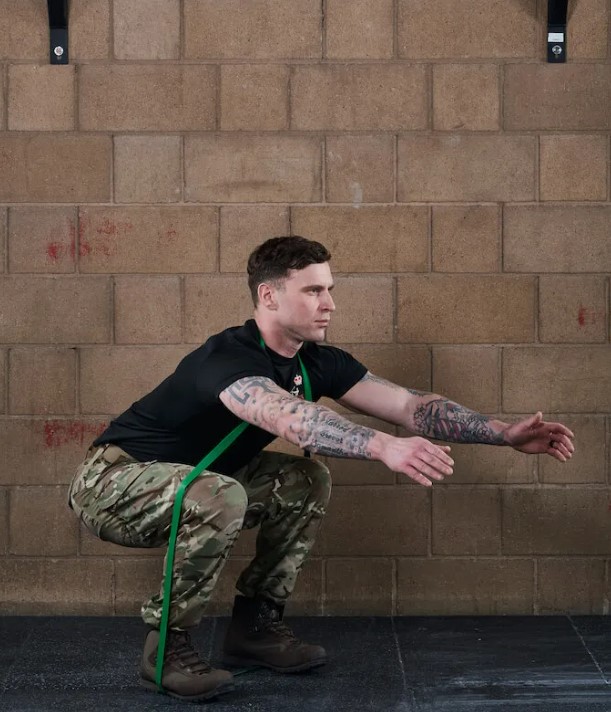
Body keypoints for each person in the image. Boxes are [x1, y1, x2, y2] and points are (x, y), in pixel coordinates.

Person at [68, 236, 575, 702]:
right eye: (313, 291)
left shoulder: (316, 362)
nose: (329, 303)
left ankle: (255, 629)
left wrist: (502, 433)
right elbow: (289, 418)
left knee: (304, 479)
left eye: (329, 289)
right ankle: (166, 650)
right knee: (220, 493)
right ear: (268, 296)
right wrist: (382, 447)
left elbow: (411, 407)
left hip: (197, 481)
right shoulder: (226, 357)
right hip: (115, 481)